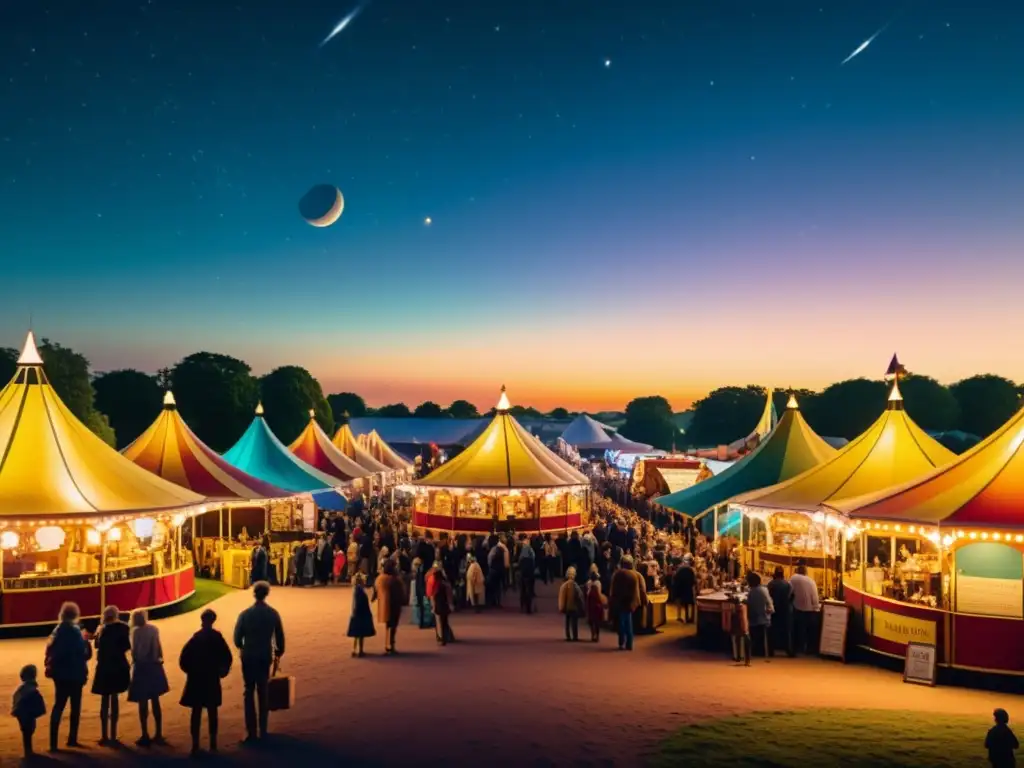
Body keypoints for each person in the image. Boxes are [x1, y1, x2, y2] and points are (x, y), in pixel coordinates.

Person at [233, 581, 285, 744]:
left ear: (254, 594)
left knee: (248, 691)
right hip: (264, 655)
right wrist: (278, 652)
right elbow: (280, 638)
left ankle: (250, 731)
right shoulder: (273, 614)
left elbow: (236, 638)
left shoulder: (245, 614)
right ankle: (263, 729)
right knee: (263, 691)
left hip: (248, 655)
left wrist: (242, 646)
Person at [180, 609, 233, 757]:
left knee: (196, 712)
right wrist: (222, 671)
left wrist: (190, 671)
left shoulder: (195, 638)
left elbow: (183, 659)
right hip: (211, 678)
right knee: (212, 711)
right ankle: (213, 744)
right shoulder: (217, 637)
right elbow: (227, 657)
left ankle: (195, 745)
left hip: (196, 679)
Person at [46, 601, 92, 752]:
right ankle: (72, 738)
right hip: (75, 673)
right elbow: (84, 654)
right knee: (75, 706)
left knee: (58, 705)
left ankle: (53, 743)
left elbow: (51, 650)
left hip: (60, 674)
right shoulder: (76, 632)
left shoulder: (56, 631)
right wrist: (87, 642)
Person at [126, 609, 169, 747]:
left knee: (142, 703)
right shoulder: (153, 629)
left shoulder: (135, 632)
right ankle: (158, 733)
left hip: (141, 667)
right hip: (154, 665)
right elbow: (158, 646)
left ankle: (145, 733)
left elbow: (134, 652)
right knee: (156, 701)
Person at [92, 605, 131, 746]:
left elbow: (96, 645)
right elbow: (127, 646)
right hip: (118, 665)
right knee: (114, 700)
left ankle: (104, 735)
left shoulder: (102, 629)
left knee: (104, 701)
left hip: (104, 667)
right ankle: (114, 735)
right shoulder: (124, 628)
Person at [609, 555, 646, 651]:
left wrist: (612, 601)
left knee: (621, 622)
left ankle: (621, 642)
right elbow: (642, 589)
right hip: (631, 602)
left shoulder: (617, 574)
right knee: (629, 623)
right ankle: (629, 644)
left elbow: (612, 590)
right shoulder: (636, 575)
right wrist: (643, 601)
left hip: (620, 602)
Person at [12, 663, 46, 759]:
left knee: (26, 731)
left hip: (21, 713)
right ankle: (28, 751)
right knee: (29, 730)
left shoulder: (21, 689)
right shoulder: (31, 689)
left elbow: (16, 698)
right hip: (27, 713)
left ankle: (28, 750)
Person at [374, 559, 407, 654]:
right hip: (394, 604)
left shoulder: (380, 578)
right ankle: (391, 645)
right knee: (393, 626)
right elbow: (400, 592)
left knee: (388, 625)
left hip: (385, 605)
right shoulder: (394, 580)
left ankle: (387, 644)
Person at [789, 564, 820, 655]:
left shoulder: (793, 578)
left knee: (799, 629)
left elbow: (790, 592)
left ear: (797, 571)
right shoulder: (811, 581)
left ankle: (799, 648)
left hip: (798, 608)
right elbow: (815, 596)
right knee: (809, 631)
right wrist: (816, 607)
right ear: (806, 572)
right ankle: (809, 649)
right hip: (810, 609)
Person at [745, 571, 774, 658]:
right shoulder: (764, 589)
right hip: (766, 617)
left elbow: (750, 606)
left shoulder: (752, 592)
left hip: (756, 620)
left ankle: (754, 650)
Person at [766, 567, 794, 657]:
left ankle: (771, 651)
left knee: (773, 630)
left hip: (775, 610)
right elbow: (792, 596)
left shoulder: (771, 584)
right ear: (783, 575)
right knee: (787, 631)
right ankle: (789, 651)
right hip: (786, 610)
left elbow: (768, 597)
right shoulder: (788, 584)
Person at [347, 573, 376, 657]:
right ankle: (360, 650)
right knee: (361, 635)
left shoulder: (356, 590)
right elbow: (359, 603)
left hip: (356, 614)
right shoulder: (360, 591)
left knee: (356, 635)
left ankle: (354, 649)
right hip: (361, 614)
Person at [558, 567, 585, 642]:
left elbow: (562, 596)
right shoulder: (575, 585)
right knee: (574, 622)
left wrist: (562, 606)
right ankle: (575, 636)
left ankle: (568, 635)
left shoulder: (564, 585)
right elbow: (580, 596)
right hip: (574, 607)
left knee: (567, 621)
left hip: (567, 607)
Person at [431, 565, 455, 646]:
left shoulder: (436, 585)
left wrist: (433, 607)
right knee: (444, 622)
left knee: (440, 623)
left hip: (439, 605)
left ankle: (443, 638)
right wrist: (451, 605)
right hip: (445, 605)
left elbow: (433, 596)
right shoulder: (445, 584)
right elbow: (449, 596)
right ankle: (446, 637)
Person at [672, 555, 697, 623]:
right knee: (692, 604)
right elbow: (694, 580)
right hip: (689, 588)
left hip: (682, 589)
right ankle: (692, 618)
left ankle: (686, 617)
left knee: (685, 604)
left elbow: (675, 579)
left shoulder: (679, 570)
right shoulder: (691, 570)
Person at [585, 574, 607, 642]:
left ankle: (593, 635)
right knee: (597, 622)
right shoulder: (598, 585)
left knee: (591, 622)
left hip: (590, 606)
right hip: (597, 606)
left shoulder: (588, 584)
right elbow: (599, 596)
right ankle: (597, 636)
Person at [518, 537, 537, 613]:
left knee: (523, 589)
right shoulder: (531, 550)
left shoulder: (524, 549)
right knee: (529, 588)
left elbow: (520, 560)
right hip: (530, 571)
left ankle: (523, 605)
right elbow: (533, 559)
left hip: (524, 571)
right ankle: (528, 607)